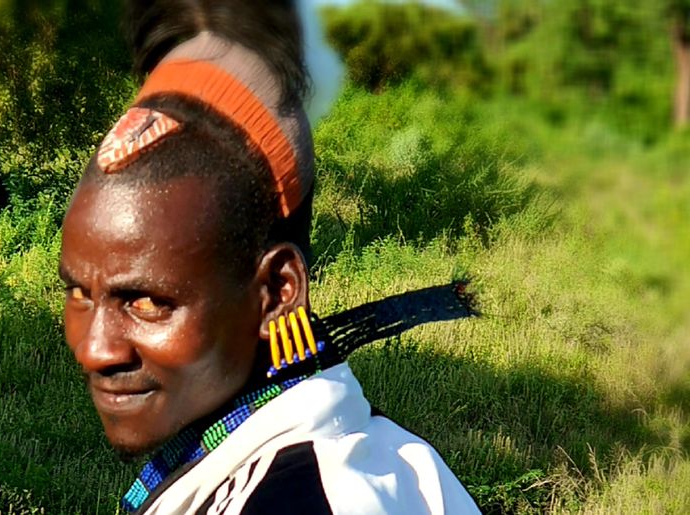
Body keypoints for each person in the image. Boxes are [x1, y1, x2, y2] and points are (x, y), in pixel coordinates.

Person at [58, 1, 481, 513]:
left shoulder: (302, 498)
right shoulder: (369, 456)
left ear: (278, 294)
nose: (94, 350)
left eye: (145, 302)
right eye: (80, 292)